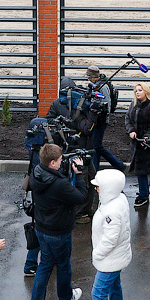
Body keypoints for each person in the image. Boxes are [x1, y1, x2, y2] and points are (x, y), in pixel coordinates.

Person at [28, 143, 87, 300]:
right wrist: (80, 175)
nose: (62, 162)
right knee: (63, 265)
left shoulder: (36, 172)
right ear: (52, 163)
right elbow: (81, 198)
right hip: (59, 232)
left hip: (41, 228)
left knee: (45, 265)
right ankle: (65, 297)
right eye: (60, 160)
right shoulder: (60, 184)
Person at [87, 169, 132, 300]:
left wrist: (96, 254)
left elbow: (110, 239)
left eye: (98, 186)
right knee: (114, 285)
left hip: (109, 259)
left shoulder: (111, 210)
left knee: (98, 294)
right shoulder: (118, 199)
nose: (96, 189)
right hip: (117, 257)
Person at [45, 76, 97, 223]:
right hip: (80, 148)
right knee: (85, 180)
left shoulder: (57, 104)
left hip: (67, 148)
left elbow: (48, 120)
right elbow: (88, 127)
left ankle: (84, 209)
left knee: (88, 178)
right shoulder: (79, 104)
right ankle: (80, 213)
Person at [125, 83, 150, 209]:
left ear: (146, 91)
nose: (137, 92)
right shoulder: (133, 104)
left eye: (140, 90)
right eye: (136, 91)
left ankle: (144, 195)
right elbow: (127, 119)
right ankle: (143, 192)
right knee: (139, 170)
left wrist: (147, 137)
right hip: (136, 143)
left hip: (146, 143)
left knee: (142, 170)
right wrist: (131, 131)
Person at [85, 65, 126, 171]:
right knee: (95, 145)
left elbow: (106, 105)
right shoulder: (95, 85)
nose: (88, 79)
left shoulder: (103, 87)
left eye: (90, 77)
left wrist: (95, 107)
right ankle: (95, 168)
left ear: (95, 76)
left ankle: (118, 164)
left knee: (97, 146)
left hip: (101, 120)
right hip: (95, 119)